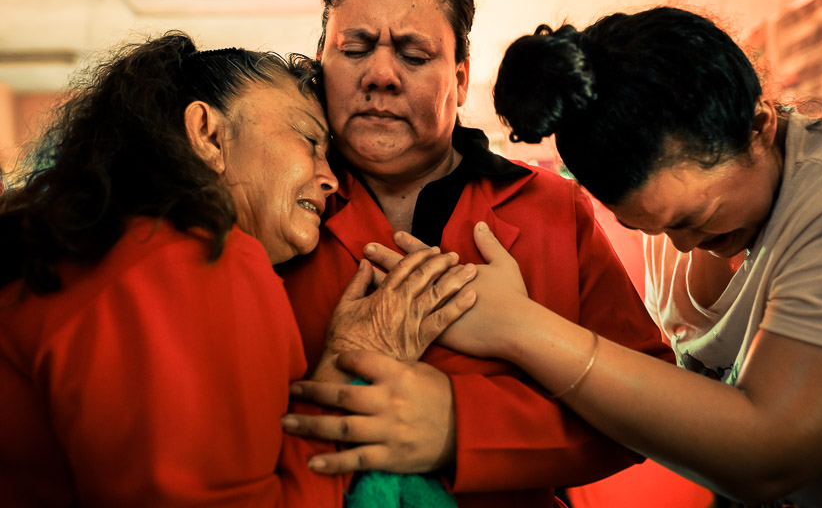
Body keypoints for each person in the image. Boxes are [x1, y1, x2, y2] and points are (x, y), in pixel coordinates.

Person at [366, 7, 822, 507]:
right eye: (647, 226)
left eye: (693, 219)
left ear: (759, 128)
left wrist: (520, 329)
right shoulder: (677, 213)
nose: (683, 246)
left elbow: (769, 457)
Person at [0, 32, 476, 507]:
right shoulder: (195, 257)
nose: (329, 178)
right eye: (309, 139)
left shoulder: (118, 248)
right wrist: (352, 358)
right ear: (208, 135)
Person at [277, 0, 674, 507]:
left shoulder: (552, 208)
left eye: (414, 55)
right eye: (355, 48)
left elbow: (652, 414)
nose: (381, 75)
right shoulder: (272, 210)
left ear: (460, 80)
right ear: (320, 64)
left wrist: (464, 429)